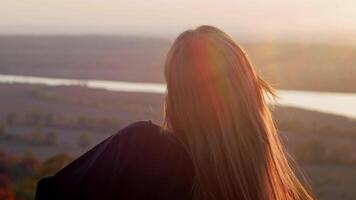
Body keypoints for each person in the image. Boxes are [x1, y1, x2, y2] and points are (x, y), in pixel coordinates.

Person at [35, 25, 313, 200]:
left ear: (178, 94)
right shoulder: (270, 190)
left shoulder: (147, 151)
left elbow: (52, 193)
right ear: (251, 97)